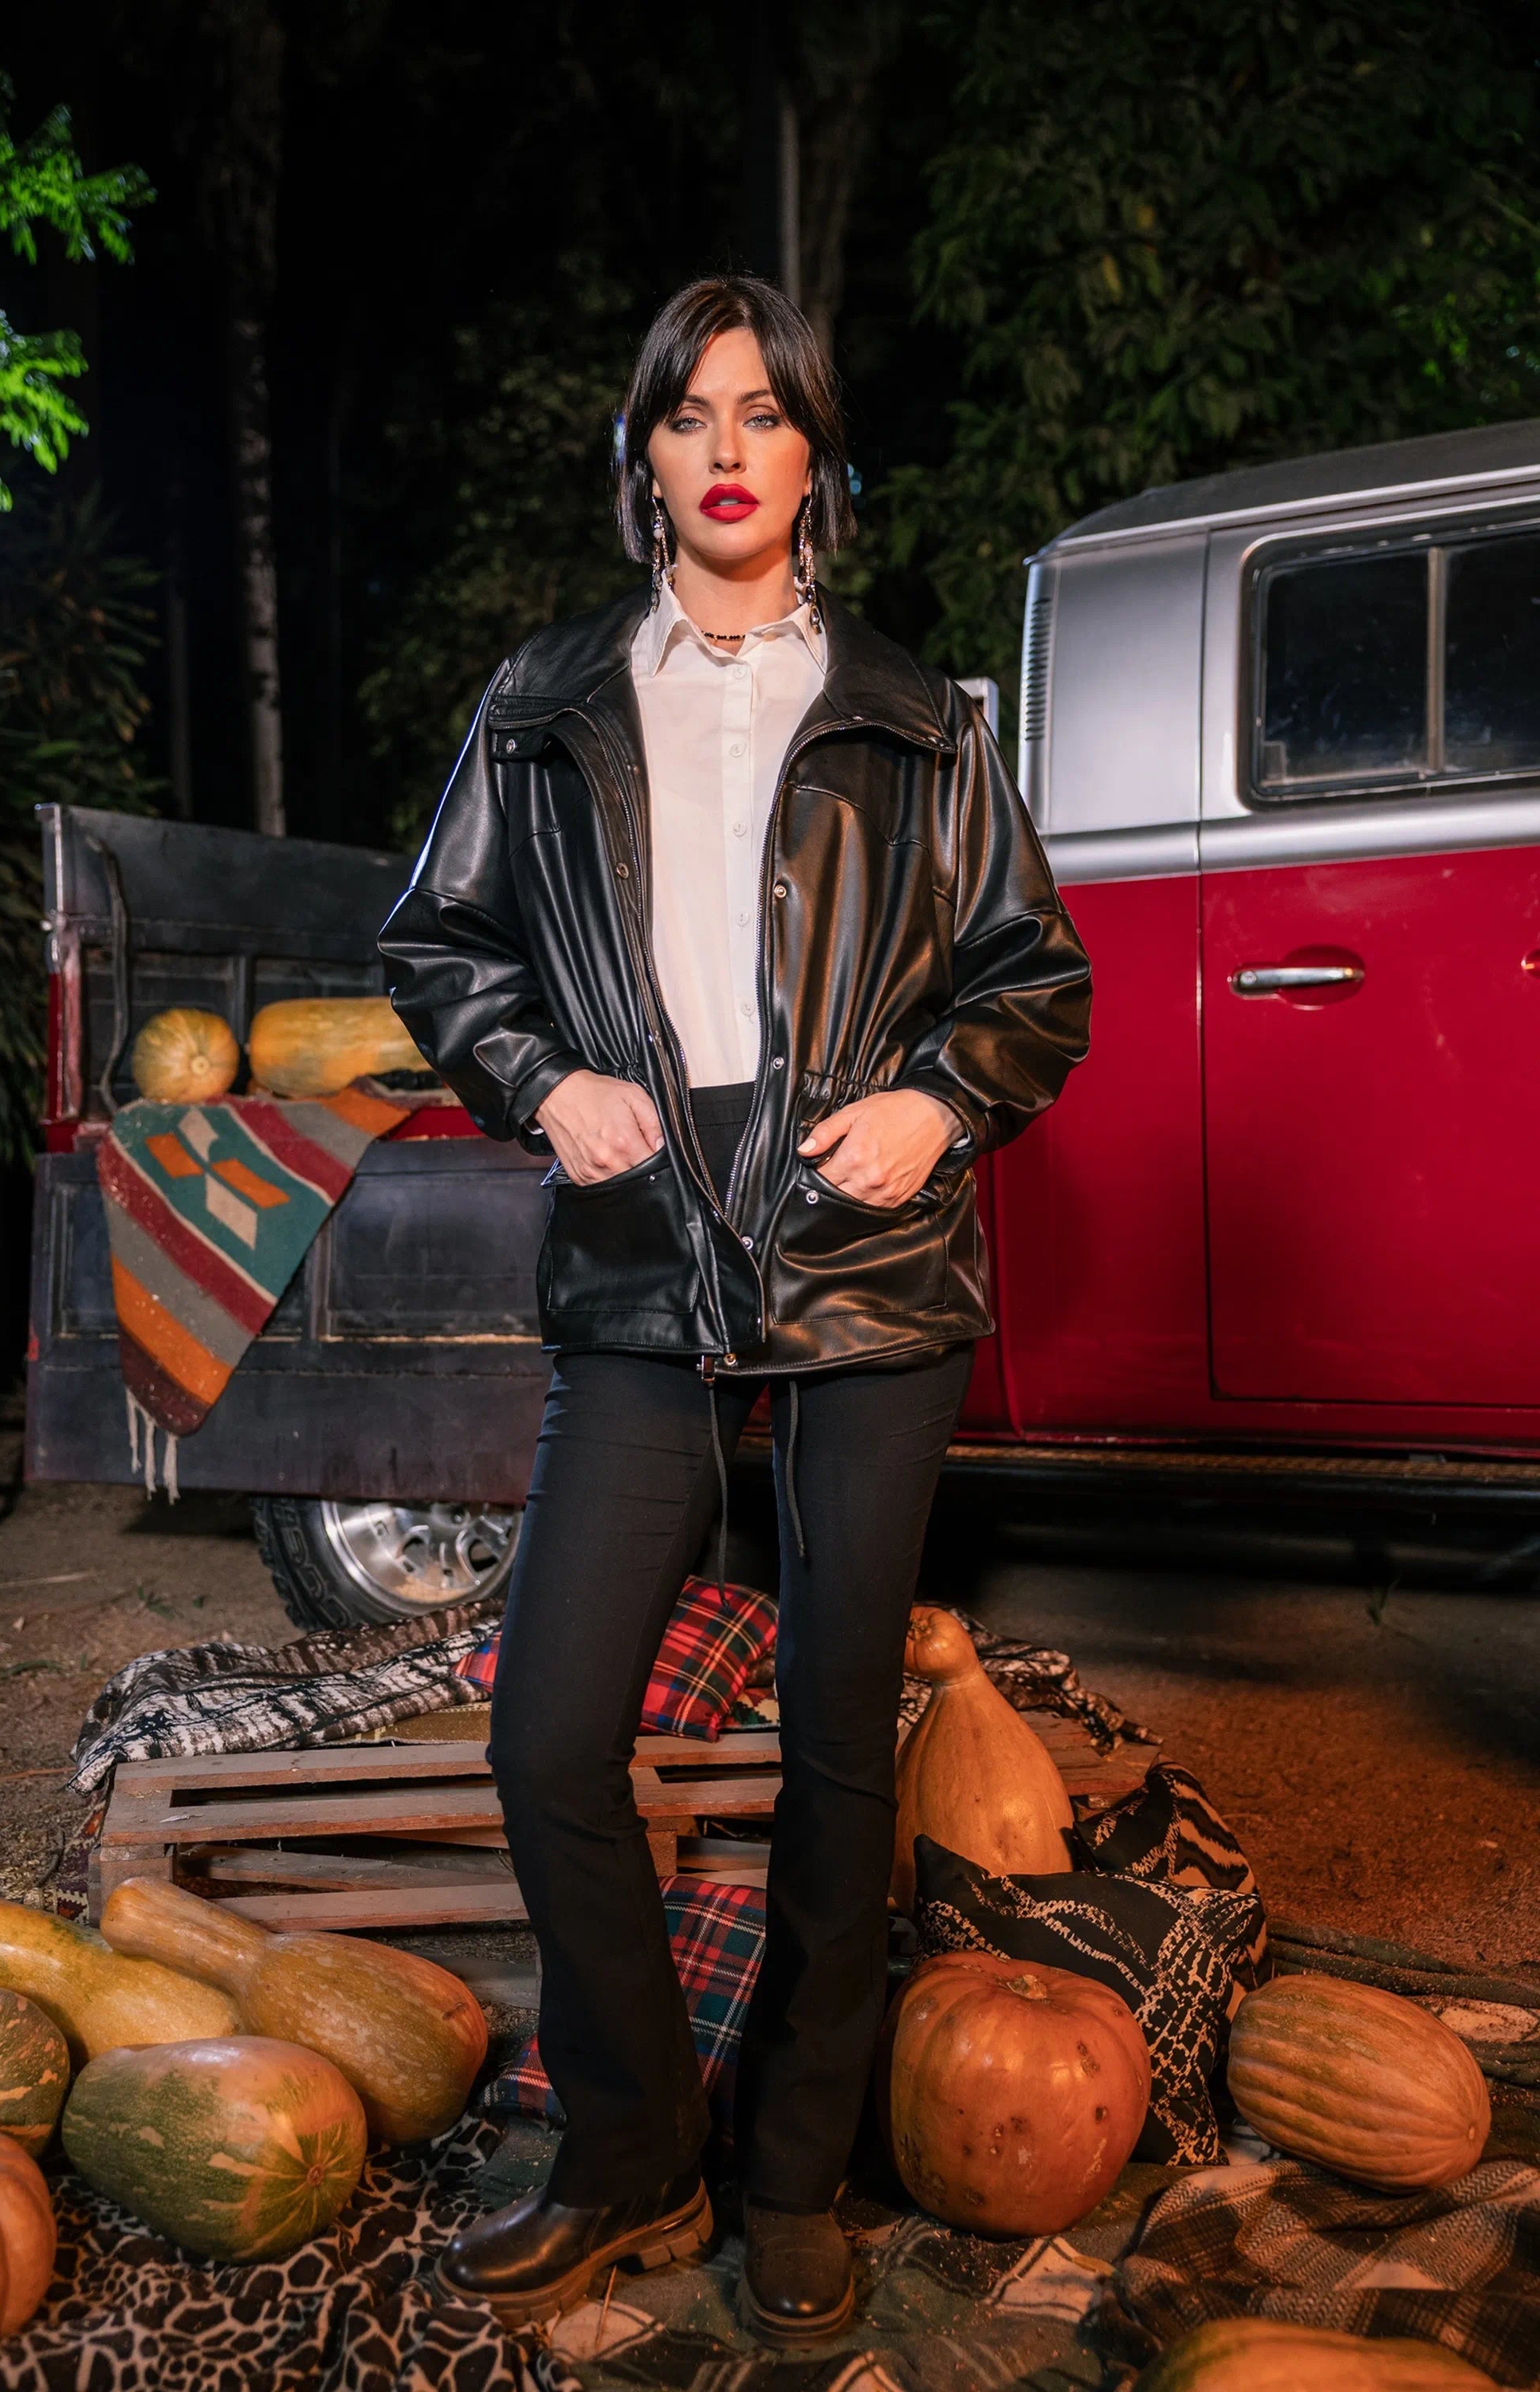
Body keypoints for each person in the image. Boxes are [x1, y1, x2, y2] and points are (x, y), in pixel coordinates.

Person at [379, 274, 1092, 2346]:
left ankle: (792, 2168)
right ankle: (628, 2146)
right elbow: (441, 940)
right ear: (644, 460)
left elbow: (1032, 975)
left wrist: (937, 1107)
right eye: (687, 414)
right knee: (548, 1732)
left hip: (868, 1262)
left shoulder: (911, 708)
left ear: (812, 460)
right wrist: (536, 1077)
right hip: (636, 1240)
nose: (723, 447)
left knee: (838, 1758)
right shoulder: (544, 700)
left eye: (761, 413)